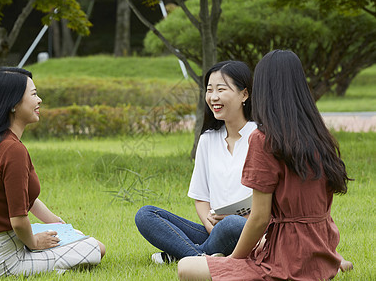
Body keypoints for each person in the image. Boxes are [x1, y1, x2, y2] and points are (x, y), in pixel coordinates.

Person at [178, 50, 353, 280]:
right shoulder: (320, 135)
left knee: (186, 267)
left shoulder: (263, 139)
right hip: (322, 254)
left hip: (285, 260)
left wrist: (232, 261)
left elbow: (259, 218)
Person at [0, 67, 106, 278]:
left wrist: (56, 221)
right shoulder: (13, 151)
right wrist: (34, 243)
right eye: (34, 94)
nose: (40, 100)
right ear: (13, 104)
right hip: (3, 260)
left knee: (73, 235)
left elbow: (23, 196)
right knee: (96, 248)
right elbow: (18, 220)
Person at [135, 61, 256, 263]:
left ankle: (187, 255)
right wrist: (211, 228)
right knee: (146, 214)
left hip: (251, 230)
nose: (213, 97)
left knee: (232, 224)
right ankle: (203, 256)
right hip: (215, 231)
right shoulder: (208, 139)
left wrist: (237, 223)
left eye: (221, 89)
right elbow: (201, 198)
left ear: (244, 94)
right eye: (209, 90)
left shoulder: (261, 136)